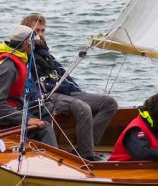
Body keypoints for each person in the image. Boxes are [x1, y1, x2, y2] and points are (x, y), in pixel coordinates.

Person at [21, 13, 117, 161]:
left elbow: (62, 73)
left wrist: (77, 91)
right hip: (48, 95)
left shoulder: (46, 53)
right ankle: (87, 155)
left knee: (109, 103)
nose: (40, 34)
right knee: (82, 107)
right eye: (36, 31)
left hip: (65, 91)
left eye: (42, 31)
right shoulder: (25, 54)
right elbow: (29, 84)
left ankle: (87, 145)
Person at [0, 24, 57, 146]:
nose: (34, 46)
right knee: (44, 127)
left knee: (46, 109)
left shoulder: (14, 58)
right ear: (25, 44)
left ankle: (32, 146)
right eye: (32, 43)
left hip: (4, 108)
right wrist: (27, 119)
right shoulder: (9, 68)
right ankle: (47, 160)